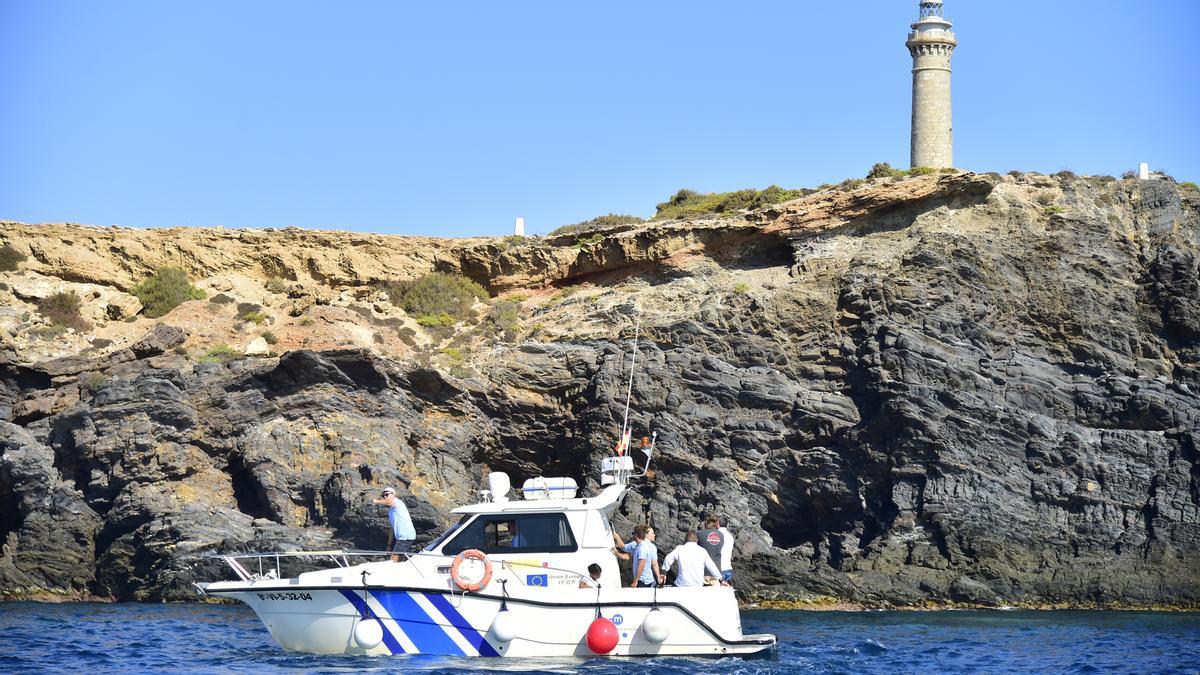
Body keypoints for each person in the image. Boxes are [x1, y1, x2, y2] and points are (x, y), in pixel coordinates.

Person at [372, 487, 415, 561]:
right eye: (383, 496)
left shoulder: (397, 502)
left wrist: (376, 501)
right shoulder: (391, 510)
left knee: (393, 561)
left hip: (405, 537)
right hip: (402, 538)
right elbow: (392, 528)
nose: (385, 497)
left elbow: (389, 502)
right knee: (401, 561)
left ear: (394, 494)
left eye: (387, 494)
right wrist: (389, 545)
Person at [697, 514, 735, 583]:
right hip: (728, 568)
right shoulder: (730, 536)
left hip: (719, 569)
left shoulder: (718, 534)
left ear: (717, 523)